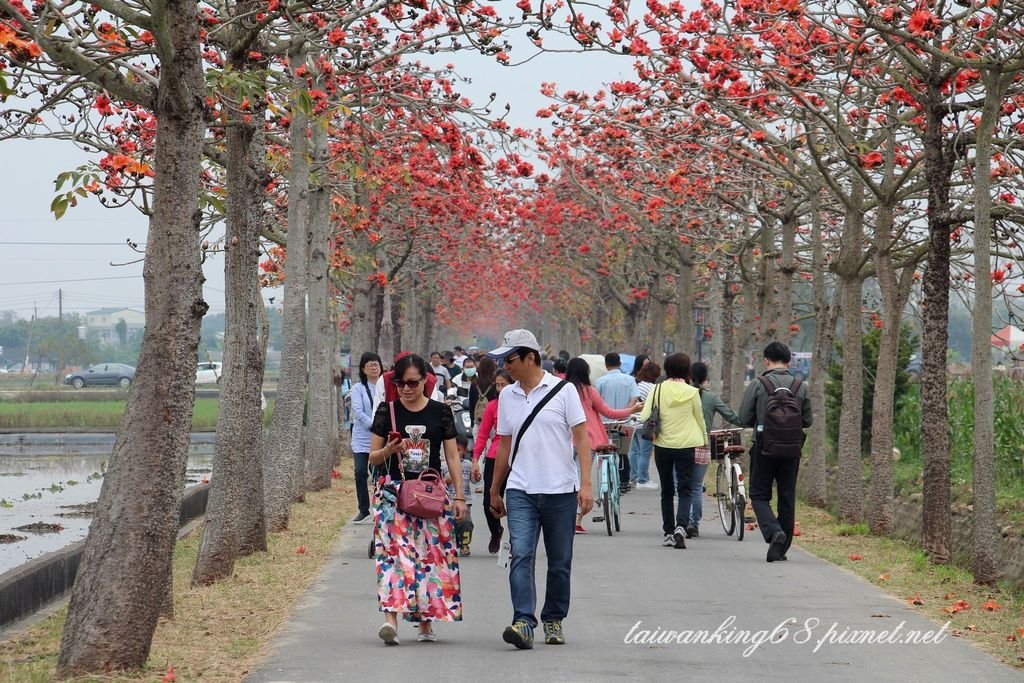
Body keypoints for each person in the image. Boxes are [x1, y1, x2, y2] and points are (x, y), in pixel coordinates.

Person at [487, 329, 593, 649]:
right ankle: (523, 621)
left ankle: (553, 619)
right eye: (504, 360)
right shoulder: (507, 395)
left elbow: (582, 438)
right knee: (521, 554)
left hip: (560, 489)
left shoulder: (564, 391)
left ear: (531, 357)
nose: (506, 366)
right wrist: (495, 489)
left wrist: (586, 484)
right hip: (520, 489)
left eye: (511, 359)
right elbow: (505, 444)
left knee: (560, 561)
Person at [368, 354, 467, 644]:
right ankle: (391, 621)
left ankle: (425, 622)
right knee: (392, 557)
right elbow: (371, 456)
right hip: (394, 495)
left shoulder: (441, 412)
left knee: (428, 558)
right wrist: (389, 450)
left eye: (412, 382)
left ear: (426, 380)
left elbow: (451, 455)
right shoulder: (387, 412)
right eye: (400, 383)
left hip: (431, 493)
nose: (406, 389)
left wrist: (459, 495)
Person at [738, 341, 812, 563]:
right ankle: (781, 549)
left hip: (763, 447)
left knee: (759, 495)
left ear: (766, 360)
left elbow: (743, 418)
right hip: (792, 450)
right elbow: (807, 420)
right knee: (787, 497)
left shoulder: (758, 384)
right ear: (789, 361)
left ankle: (773, 531)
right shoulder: (801, 386)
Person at [637, 352, 707, 550]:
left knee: (667, 490)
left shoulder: (657, 389)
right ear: (687, 370)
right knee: (685, 489)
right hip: (687, 445)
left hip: (663, 445)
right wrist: (703, 439)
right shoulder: (692, 392)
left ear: (667, 369)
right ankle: (681, 527)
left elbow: (644, 416)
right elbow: (699, 418)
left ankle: (668, 532)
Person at [565, 357, 643, 533]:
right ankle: (576, 519)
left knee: (567, 479)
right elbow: (609, 412)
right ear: (585, 373)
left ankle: (565, 517)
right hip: (588, 440)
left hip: (565, 441)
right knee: (581, 477)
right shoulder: (589, 391)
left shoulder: (562, 391)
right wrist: (632, 410)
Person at [687, 361, 741, 538]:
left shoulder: (683, 395)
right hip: (702, 445)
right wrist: (749, 421)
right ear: (705, 378)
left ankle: (682, 521)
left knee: (682, 486)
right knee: (696, 487)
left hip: (682, 445)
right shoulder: (711, 398)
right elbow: (731, 415)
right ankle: (694, 523)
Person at [471, 368, 512, 553]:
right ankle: (495, 531)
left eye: (504, 384)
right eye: (498, 385)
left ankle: (517, 541)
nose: (501, 388)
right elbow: (482, 434)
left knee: (516, 502)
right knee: (489, 500)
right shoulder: (492, 406)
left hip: (518, 459)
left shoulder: (522, 404)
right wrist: (475, 459)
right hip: (495, 456)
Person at [595, 352, 641, 491]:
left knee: (606, 452)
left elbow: (598, 401)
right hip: (625, 422)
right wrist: (625, 411)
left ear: (606, 365)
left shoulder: (600, 381)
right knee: (623, 452)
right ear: (620, 363)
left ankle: (607, 481)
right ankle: (624, 482)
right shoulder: (629, 379)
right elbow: (634, 398)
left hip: (605, 422)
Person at [350, 352, 382, 524]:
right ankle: (364, 509)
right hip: (363, 437)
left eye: (376, 364)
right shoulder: (358, 388)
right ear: (363, 369)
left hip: (382, 438)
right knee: (360, 472)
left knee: (380, 474)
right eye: (369, 364)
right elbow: (358, 411)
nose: (373, 367)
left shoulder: (385, 386)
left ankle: (381, 506)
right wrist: (373, 425)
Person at [628, 362, 661, 490]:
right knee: (645, 453)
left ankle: (635, 477)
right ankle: (643, 480)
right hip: (645, 424)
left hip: (633, 422)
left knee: (635, 452)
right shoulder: (652, 388)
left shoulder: (638, 385)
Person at [442, 434, 476, 556]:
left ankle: (465, 544)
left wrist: (476, 476)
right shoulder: (444, 465)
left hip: (465, 500)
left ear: (465, 451)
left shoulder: (468, 465)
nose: (455, 453)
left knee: (466, 522)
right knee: (451, 524)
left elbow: (475, 481)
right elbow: (440, 482)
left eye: (459, 450)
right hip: (449, 500)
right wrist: (447, 480)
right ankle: (452, 544)